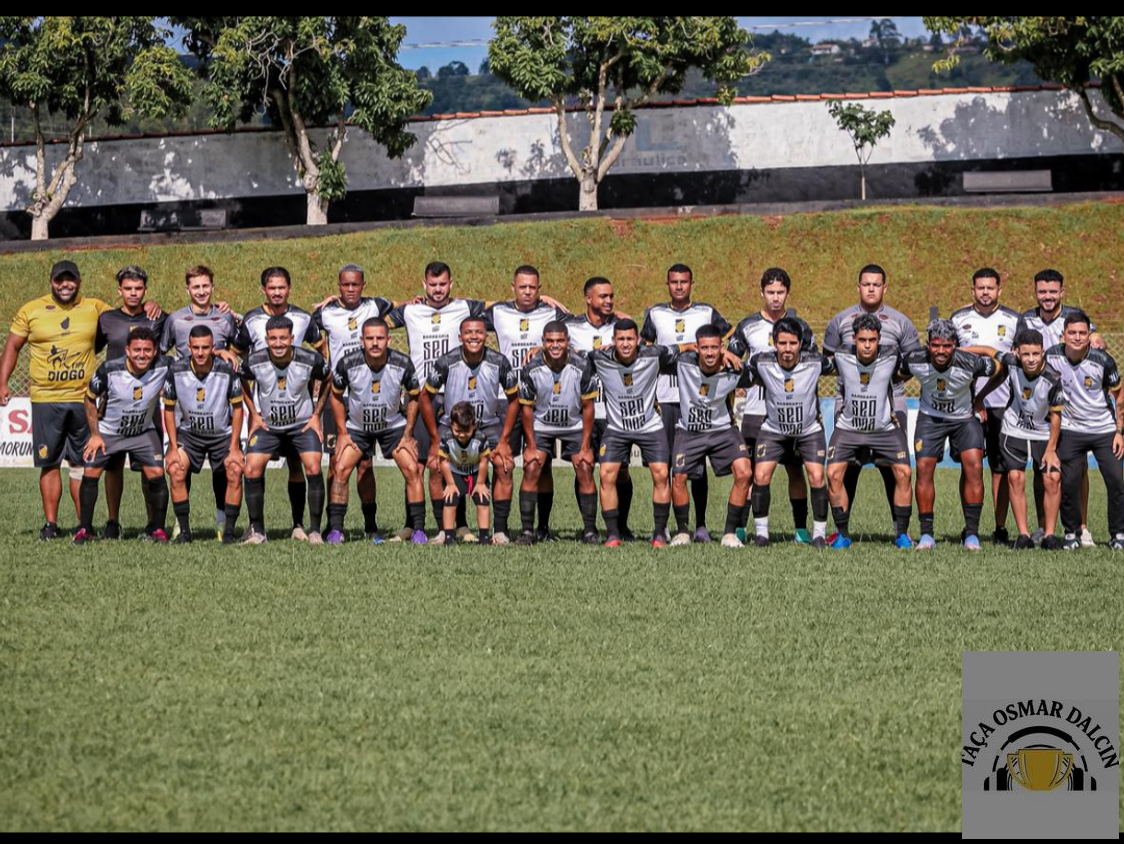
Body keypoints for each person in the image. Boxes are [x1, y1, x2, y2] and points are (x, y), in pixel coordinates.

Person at [639, 263, 732, 542]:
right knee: (667, 465)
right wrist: (682, 348)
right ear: (667, 284)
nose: (679, 286)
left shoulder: (705, 312)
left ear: (692, 283)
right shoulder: (655, 313)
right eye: (674, 282)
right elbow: (646, 349)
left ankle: (700, 525)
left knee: (698, 466)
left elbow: (724, 338)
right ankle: (668, 526)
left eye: (684, 282)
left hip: (700, 399)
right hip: (667, 398)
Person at [326, 318, 427, 545]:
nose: (375, 343)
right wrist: (342, 432)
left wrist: (408, 433)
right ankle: (336, 530)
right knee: (341, 468)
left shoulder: (402, 362)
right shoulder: (347, 363)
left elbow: (414, 395)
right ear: (362, 340)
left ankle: (419, 529)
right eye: (370, 338)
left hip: (392, 426)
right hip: (358, 427)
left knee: (412, 469)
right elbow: (336, 395)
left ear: (388, 339)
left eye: (380, 338)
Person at [824, 313, 914, 549]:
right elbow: (809, 362)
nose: (867, 345)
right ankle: (842, 534)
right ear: (854, 338)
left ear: (879, 339)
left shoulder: (892, 355)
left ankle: (902, 534)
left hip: (884, 428)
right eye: (862, 339)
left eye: (872, 340)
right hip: (848, 428)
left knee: (904, 473)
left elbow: (922, 361)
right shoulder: (840, 356)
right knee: (833, 474)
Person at [74, 328, 171, 544]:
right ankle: (85, 529)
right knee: (91, 471)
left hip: (143, 432)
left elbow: (193, 361)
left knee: (156, 472)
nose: (142, 355)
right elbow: (89, 399)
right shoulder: (110, 369)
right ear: (127, 350)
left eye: (147, 350)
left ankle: (157, 529)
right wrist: (95, 434)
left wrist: (223, 353)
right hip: (110, 432)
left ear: (155, 351)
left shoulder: (164, 366)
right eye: (137, 350)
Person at [240, 316, 330, 545]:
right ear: (266, 339)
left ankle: (313, 530)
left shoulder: (310, 359)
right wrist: (254, 414)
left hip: (301, 426)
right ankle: (257, 531)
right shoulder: (254, 361)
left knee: (311, 466)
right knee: (251, 468)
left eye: (283, 338)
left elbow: (328, 378)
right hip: (269, 427)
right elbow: (241, 379)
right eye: (273, 338)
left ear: (292, 338)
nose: (278, 343)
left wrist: (316, 414)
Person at [950, 268, 1020, 545]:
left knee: (1000, 469)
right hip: (967, 407)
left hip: (1005, 405)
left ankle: (1000, 527)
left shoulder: (1014, 319)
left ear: (999, 290)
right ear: (973, 290)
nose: (985, 292)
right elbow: (946, 353)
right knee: (971, 465)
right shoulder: (958, 318)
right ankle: (971, 527)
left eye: (990, 288)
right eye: (980, 288)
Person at [1043, 311, 1124, 550]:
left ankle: (1118, 534)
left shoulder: (1104, 360)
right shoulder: (1052, 357)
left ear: (1089, 335)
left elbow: (1119, 394)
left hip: (1104, 429)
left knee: (1117, 481)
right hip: (1071, 429)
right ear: (1063, 335)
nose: (1077, 337)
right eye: (1072, 333)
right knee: (1069, 483)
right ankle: (1071, 533)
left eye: (1082, 333)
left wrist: (1120, 431)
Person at [668, 325, 754, 549]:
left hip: (723, 430)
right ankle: (683, 532)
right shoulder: (683, 361)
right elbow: (654, 352)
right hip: (689, 431)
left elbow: (763, 371)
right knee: (677, 477)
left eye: (714, 348)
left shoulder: (735, 369)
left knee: (745, 472)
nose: (708, 353)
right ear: (696, 348)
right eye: (704, 347)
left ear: (722, 347)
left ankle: (729, 534)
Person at [517, 321, 598, 544]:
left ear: (568, 342)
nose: (555, 345)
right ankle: (531, 530)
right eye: (550, 341)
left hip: (574, 425)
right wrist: (531, 446)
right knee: (534, 467)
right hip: (542, 426)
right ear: (543, 342)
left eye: (560, 341)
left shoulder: (582, 365)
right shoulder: (530, 368)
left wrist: (585, 446)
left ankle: (590, 530)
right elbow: (527, 409)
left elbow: (589, 407)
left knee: (584, 466)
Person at [163, 326, 245, 545]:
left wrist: (235, 446)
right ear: (188, 347)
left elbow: (238, 408)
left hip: (221, 436)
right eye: (196, 347)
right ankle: (184, 531)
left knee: (235, 469)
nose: (200, 352)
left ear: (214, 348)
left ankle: (227, 530)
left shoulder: (227, 370)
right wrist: (172, 447)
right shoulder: (176, 369)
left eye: (205, 347)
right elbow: (169, 409)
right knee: (175, 468)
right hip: (190, 436)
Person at [438, 401, 494, 546]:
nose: (462, 435)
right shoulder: (446, 438)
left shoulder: (480, 438)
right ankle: (449, 537)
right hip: (455, 472)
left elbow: (483, 461)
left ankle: (484, 537)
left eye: (466, 431)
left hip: (476, 472)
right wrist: (450, 484)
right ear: (451, 424)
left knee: (483, 500)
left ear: (474, 425)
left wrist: (481, 483)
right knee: (450, 501)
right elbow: (443, 461)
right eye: (457, 431)